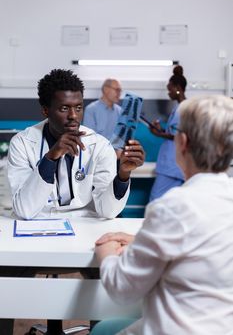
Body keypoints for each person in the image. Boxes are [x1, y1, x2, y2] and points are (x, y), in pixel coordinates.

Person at [2, 69, 145, 335]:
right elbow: (24, 209)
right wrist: (51, 158)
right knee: (5, 278)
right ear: (46, 110)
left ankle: (101, 329)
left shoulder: (98, 145)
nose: (73, 117)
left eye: (78, 108)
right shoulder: (23, 143)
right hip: (36, 225)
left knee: (106, 273)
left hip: (84, 227)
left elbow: (107, 210)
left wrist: (122, 173)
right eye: (64, 108)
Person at [91, 95, 233, 335]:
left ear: (183, 143)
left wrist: (106, 252)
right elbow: (206, 247)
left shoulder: (173, 207)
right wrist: (142, 241)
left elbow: (122, 288)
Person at [149, 65, 186, 201]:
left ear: (177, 88)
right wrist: (160, 130)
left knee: (155, 200)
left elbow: (180, 136)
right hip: (172, 166)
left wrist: (159, 134)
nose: (168, 93)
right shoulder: (178, 107)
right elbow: (174, 132)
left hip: (172, 167)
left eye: (170, 90)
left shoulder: (184, 108)